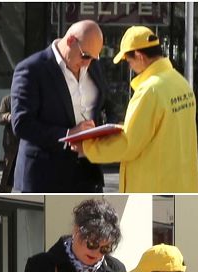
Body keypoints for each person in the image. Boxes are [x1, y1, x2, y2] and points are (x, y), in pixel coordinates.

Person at [71, 26, 198, 193]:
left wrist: (87, 147)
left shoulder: (149, 91)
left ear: (139, 56)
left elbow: (128, 144)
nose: (130, 67)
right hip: (181, 185)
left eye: (128, 61)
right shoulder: (181, 83)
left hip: (151, 187)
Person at [11, 20, 118, 193]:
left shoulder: (92, 65)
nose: (88, 63)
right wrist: (68, 135)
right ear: (70, 41)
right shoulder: (31, 69)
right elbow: (22, 124)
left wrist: (107, 130)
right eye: (85, 56)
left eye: (94, 57)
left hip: (88, 174)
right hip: (45, 176)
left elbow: (108, 105)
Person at [0, 95, 19, 193]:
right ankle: (4, 193)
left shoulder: (29, 98)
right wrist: (8, 116)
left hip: (26, 142)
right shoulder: (7, 100)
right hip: (11, 143)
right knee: (8, 172)